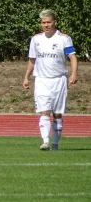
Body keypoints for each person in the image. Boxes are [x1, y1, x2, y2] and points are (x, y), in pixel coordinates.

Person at [23, 9, 78, 151]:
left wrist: (73, 74)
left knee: (57, 114)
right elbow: (32, 60)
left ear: (55, 22)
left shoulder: (64, 38)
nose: (46, 25)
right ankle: (45, 142)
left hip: (59, 80)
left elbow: (72, 57)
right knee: (44, 111)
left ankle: (55, 143)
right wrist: (26, 77)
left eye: (49, 22)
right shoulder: (36, 39)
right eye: (43, 22)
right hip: (41, 80)